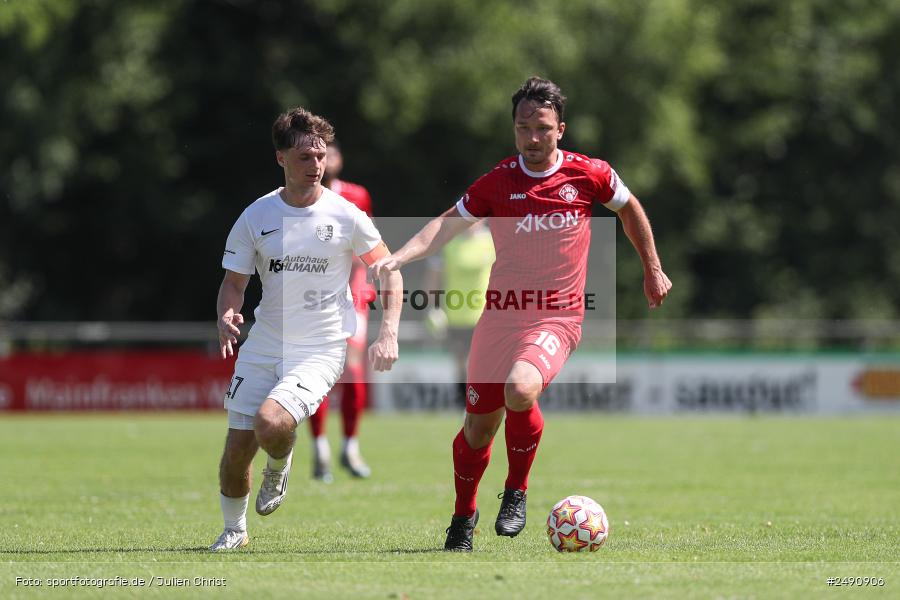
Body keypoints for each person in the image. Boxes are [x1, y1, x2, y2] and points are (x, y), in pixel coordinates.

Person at [371, 77, 672, 552]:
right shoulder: (498, 182)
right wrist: (399, 257)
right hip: (500, 317)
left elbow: (629, 207)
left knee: (520, 388)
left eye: (542, 128)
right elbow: (447, 224)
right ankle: (462, 519)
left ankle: (516, 491)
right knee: (476, 428)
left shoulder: (588, 174)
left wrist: (652, 268)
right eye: (523, 128)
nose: (532, 138)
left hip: (558, 316)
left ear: (561, 130)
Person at [211, 107, 402, 551]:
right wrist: (226, 315)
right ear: (280, 158)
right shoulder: (255, 217)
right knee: (237, 447)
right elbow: (234, 284)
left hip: (320, 346)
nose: (316, 165)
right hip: (263, 342)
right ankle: (234, 531)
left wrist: (387, 330)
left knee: (270, 422)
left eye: (320, 155)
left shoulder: (346, 214)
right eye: (304, 157)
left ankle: (280, 460)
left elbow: (389, 270)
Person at [306, 141, 377, 482]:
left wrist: (363, 286)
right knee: (316, 371)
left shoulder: (357, 195)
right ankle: (319, 448)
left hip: (351, 293)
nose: (325, 159)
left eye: (330, 152)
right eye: (318, 154)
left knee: (352, 369)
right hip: (313, 295)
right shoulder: (296, 199)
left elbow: (369, 246)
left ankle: (350, 446)